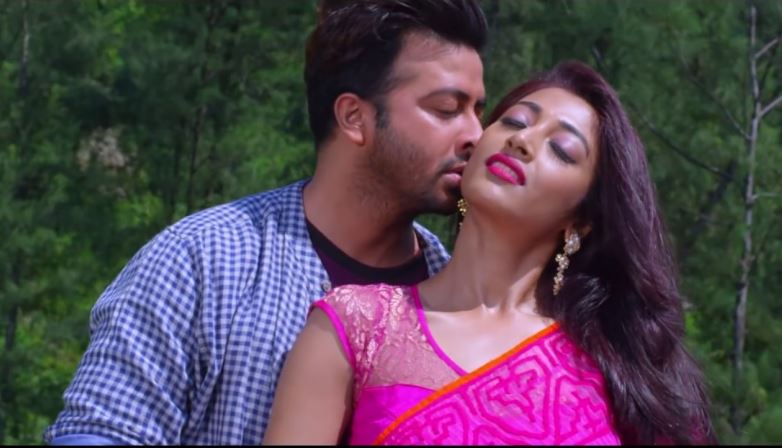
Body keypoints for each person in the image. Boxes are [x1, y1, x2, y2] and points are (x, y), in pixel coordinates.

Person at [44, 1, 487, 445]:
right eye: (447, 109)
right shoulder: (205, 260)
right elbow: (100, 433)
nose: (476, 135)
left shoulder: (461, 295)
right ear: (354, 117)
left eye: (478, 111)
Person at [262, 61, 716, 445]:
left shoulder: (618, 366)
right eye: (515, 122)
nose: (522, 141)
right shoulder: (356, 327)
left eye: (561, 150)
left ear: (581, 220)